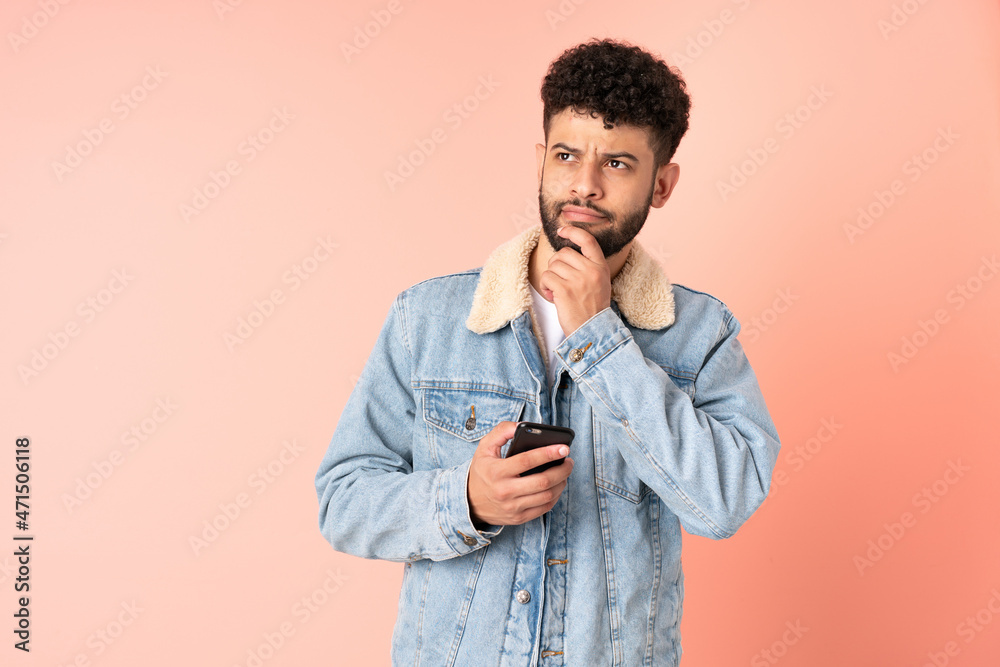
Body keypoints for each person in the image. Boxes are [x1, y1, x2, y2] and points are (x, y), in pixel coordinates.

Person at [315, 37, 781, 665]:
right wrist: (468, 500)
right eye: (566, 155)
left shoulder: (700, 334)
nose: (584, 186)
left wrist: (600, 341)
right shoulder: (426, 320)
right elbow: (344, 501)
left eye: (617, 163)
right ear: (540, 161)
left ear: (662, 184)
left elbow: (724, 502)